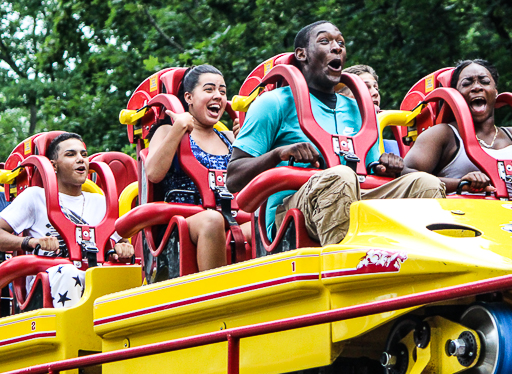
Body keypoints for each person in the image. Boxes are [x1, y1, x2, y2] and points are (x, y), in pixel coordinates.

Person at [227, 21, 445, 246]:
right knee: (341, 177)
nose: (337, 47)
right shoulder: (273, 103)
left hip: (355, 197)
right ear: (302, 54)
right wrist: (278, 154)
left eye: (340, 42)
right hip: (291, 213)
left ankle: (432, 268)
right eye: (325, 41)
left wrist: (386, 166)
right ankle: (344, 266)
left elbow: (371, 169)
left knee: (426, 183)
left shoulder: (357, 109)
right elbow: (233, 178)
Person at [0, 133, 134, 308]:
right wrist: (30, 242)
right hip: (48, 284)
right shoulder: (35, 197)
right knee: (68, 272)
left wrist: (123, 248)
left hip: (92, 277)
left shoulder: (101, 202)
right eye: (70, 155)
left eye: (83, 155)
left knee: (121, 274)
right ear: (53, 166)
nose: (80, 159)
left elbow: (121, 241)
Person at [402, 59, 512, 196]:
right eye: (467, 83)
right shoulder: (442, 134)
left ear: (496, 92)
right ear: (456, 94)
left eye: (484, 81)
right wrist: (460, 184)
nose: (477, 87)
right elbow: (404, 174)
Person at [146, 64, 237, 271]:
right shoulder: (168, 131)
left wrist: (247, 140)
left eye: (222, 92)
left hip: (230, 218)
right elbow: (153, 173)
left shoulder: (230, 138)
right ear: (189, 98)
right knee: (212, 221)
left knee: (266, 223)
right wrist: (178, 129)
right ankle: (215, 298)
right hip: (180, 223)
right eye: (209, 89)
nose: (218, 96)